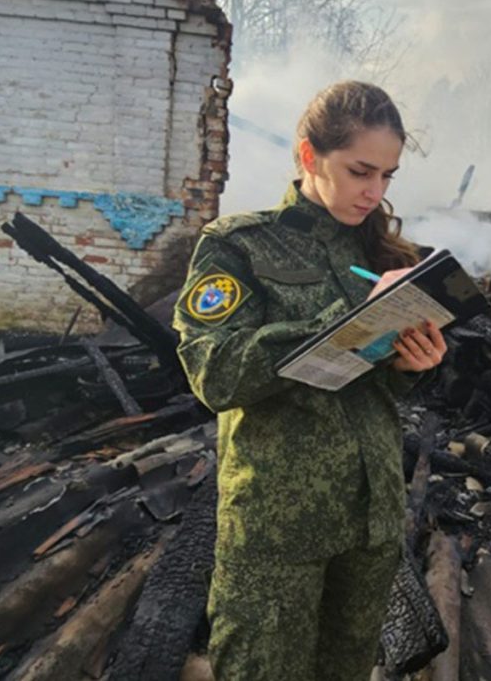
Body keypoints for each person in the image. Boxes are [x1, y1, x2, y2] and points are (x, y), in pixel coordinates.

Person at [173, 80, 446, 681]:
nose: (373, 192)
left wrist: (407, 365)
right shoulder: (238, 246)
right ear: (307, 156)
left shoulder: (380, 253)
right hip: (278, 529)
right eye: (359, 171)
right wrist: (341, 322)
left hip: (370, 521)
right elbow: (214, 375)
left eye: (387, 176)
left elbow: (365, 387)